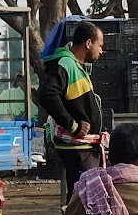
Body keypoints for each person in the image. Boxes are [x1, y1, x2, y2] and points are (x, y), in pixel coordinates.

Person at [39, 21, 107, 196]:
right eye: (100, 45)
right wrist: (73, 126)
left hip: (85, 148)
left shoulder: (76, 67)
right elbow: (47, 95)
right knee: (82, 198)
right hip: (77, 149)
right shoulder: (66, 64)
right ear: (88, 43)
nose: (101, 51)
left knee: (84, 197)